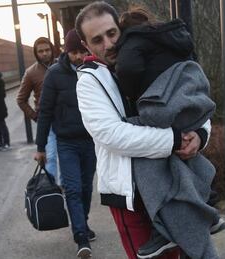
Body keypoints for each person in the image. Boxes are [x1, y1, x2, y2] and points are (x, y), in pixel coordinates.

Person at [75, 2, 207, 258]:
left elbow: (192, 101)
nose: (108, 45)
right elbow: (111, 135)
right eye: (97, 40)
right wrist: (175, 139)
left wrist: (200, 135)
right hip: (129, 195)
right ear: (86, 45)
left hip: (172, 185)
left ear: (121, 28)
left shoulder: (148, 55)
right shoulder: (89, 81)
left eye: (112, 34)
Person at [113, 7, 225, 259]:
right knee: (183, 155)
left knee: (143, 149)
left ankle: (164, 228)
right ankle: (206, 207)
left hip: (162, 106)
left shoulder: (134, 39)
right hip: (191, 101)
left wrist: (131, 94)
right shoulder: (175, 35)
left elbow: (128, 70)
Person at [34, 29, 96, 259]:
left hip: (90, 141)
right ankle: (80, 236)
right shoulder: (54, 74)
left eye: (82, 51)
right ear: (66, 52)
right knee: (73, 188)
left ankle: (84, 223)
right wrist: (41, 147)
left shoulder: (93, 70)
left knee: (87, 187)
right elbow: (45, 112)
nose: (79, 57)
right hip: (66, 142)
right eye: (74, 52)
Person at [16, 37, 59, 180]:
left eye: (47, 50)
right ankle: (52, 189)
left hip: (66, 118)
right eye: (40, 51)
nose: (45, 53)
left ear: (52, 50)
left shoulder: (62, 66)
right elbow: (21, 100)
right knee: (50, 156)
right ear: (36, 53)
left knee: (66, 157)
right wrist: (35, 117)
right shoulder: (31, 72)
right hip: (47, 122)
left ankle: (67, 188)